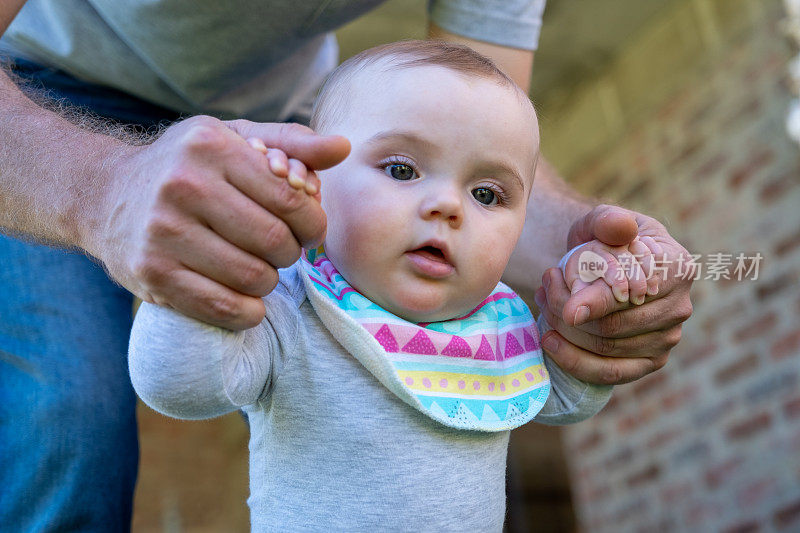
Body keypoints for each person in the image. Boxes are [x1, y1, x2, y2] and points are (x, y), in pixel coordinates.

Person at [0, 1, 692, 530]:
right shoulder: (292, 312)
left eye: (482, 196)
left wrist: (590, 281)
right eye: (401, 169)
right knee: (65, 409)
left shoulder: (500, 326)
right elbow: (181, 383)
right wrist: (179, 287)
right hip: (42, 89)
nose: (449, 206)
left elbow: (482, 122)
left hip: (296, 122)